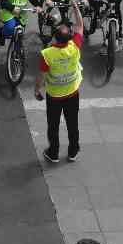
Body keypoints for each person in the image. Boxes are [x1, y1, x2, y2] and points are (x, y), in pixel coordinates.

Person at [37, 22, 83, 163]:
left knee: (53, 125)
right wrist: (75, 6)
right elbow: (80, 26)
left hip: (55, 96)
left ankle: (53, 153)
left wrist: (37, 90)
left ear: (55, 38)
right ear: (69, 37)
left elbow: (42, 76)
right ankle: (73, 152)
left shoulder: (47, 54)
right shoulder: (74, 46)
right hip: (72, 94)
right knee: (73, 124)